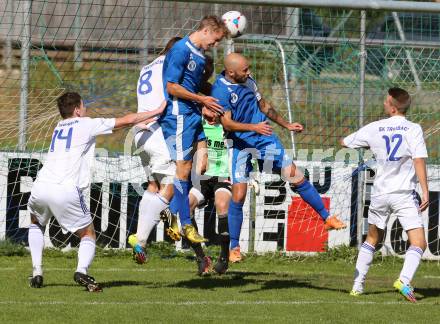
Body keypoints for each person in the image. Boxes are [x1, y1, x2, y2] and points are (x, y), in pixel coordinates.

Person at [212, 53, 346, 262]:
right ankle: (234, 247)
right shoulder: (220, 90)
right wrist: (253, 126)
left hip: (264, 139)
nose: (249, 72)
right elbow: (227, 124)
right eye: (245, 70)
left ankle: (326, 218)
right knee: (238, 195)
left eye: (249, 68)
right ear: (231, 72)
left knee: (296, 176)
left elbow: (264, 106)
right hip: (239, 144)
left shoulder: (248, 81)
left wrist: (287, 125)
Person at [27, 92, 163, 291]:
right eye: (83, 106)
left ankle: (37, 272)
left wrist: (135, 125)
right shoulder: (85, 123)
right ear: (77, 110)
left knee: (35, 222)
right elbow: (126, 120)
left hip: (41, 185)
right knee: (88, 233)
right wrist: (156, 111)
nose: (86, 109)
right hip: (65, 188)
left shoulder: (58, 126)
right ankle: (81, 270)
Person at [342, 87, 429, 302]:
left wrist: (371, 145)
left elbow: (344, 142)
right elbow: (419, 159)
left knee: (372, 238)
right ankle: (403, 280)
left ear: (391, 107)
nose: (383, 103)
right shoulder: (413, 129)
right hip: (403, 194)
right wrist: (425, 191)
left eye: (385, 100)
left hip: (380, 192)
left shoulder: (375, 128)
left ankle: (357, 285)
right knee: (418, 243)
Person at [156, 16, 228, 251]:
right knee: (183, 168)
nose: (215, 45)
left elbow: (194, 87)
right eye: (215, 40)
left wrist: (204, 106)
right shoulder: (180, 50)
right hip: (178, 116)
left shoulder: (199, 55)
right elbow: (172, 87)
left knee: (200, 166)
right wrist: (202, 99)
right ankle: (184, 223)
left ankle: (172, 213)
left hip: (192, 115)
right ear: (206, 31)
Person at [127, 37, 184, 264]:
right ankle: (142, 238)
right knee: (171, 184)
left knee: (153, 186)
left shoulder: (146, 67)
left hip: (139, 134)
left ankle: (141, 239)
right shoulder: (170, 66)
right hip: (156, 131)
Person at [186, 116, 232, 275]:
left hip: (224, 176)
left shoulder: (229, 127)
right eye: (206, 110)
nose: (209, 115)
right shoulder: (198, 126)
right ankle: (201, 257)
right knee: (187, 207)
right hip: (204, 178)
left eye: (214, 111)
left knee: (221, 205)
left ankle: (224, 257)